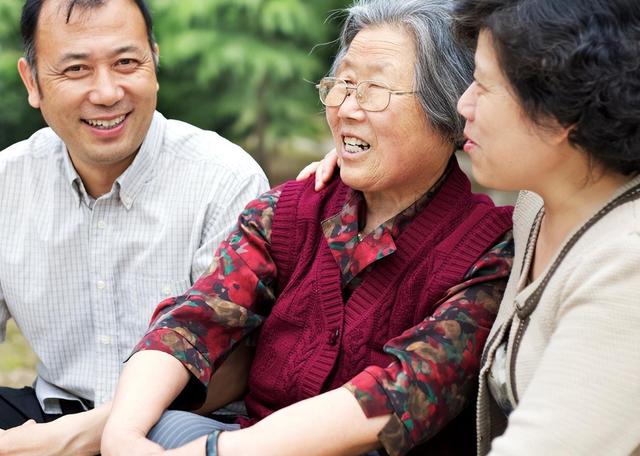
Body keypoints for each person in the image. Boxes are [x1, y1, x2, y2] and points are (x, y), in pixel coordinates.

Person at [101, 1, 514, 455]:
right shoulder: (288, 212)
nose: (348, 108)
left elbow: (401, 394)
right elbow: (196, 320)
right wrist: (121, 434)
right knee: (161, 426)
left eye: (375, 88)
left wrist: (212, 453)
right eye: (343, 83)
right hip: (237, 439)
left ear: (448, 107)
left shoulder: (488, 250)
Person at [0, 0, 267, 454]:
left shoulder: (225, 179)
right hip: (49, 412)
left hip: (184, 420)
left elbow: (233, 366)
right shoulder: (8, 182)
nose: (107, 92)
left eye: (126, 62)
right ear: (33, 82)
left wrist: (75, 439)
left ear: (154, 63)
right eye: (76, 69)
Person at [452, 0, 640, 454]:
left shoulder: (626, 271)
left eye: (482, 84)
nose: (464, 103)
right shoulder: (540, 196)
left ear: (561, 113)